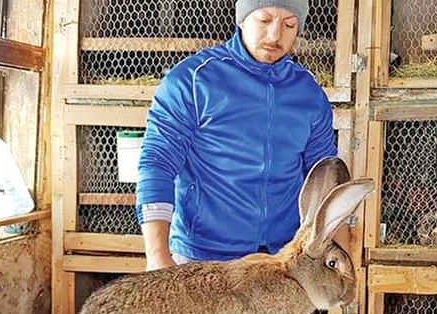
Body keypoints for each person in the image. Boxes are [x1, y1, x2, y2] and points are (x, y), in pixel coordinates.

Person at [135, 0, 338, 271]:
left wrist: (339, 255)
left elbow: (325, 176)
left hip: (282, 262)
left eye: (289, 24)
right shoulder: (193, 80)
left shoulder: (309, 94)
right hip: (203, 258)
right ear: (241, 19)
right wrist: (157, 255)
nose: (275, 35)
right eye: (264, 20)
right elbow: (157, 163)